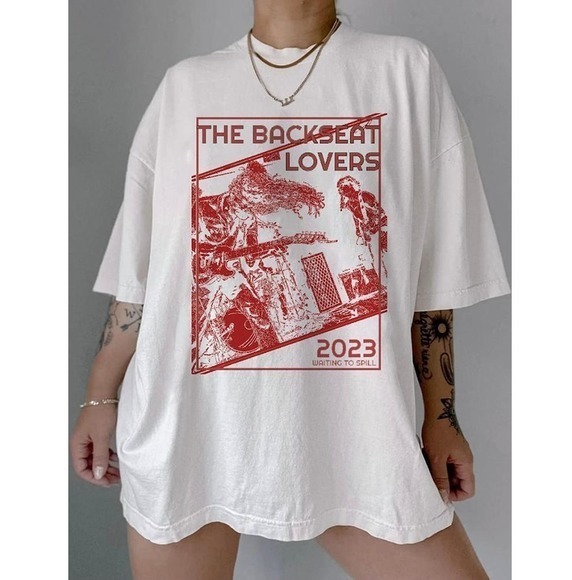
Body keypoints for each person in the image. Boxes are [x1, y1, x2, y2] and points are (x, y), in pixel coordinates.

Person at [70, 0, 510, 578]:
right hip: (188, 426)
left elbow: (435, 277)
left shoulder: (405, 70)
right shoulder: (186, 86)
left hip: (359, 431)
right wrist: (99, 395)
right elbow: (141, 271)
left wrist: (442, 417)